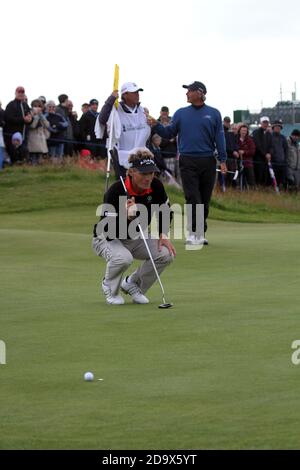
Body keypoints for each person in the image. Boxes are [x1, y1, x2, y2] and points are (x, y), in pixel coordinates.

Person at [92, 147, 175, 305]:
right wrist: (127, 218)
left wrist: (163, 235)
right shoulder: (116, 191)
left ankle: (133, 284)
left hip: (136, 237)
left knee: (165, 254)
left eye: (151, 173)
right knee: (123, 258)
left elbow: (165, 210)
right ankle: (110, 286)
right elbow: (108, 231)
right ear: (131, 172)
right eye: (143, 173)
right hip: (107, 238)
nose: (148, 178)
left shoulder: (156, 186)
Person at [149, 81, 227, 245]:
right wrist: (156, 125)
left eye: (189, 91)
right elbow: (169, 132)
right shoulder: (180, 113)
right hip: (187, 160)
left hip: (208, 160)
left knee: (204, 198)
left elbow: (219, 138)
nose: (186, 94)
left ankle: (200, 233)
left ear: (199, 93)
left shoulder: (214, 113)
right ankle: (194, 233)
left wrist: (223, 160)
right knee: (193, 197)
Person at [96, 82, 151, 179]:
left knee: (140, 184)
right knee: (123, 186)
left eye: (138, 92)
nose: (137, 95)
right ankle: (123, 195)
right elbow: (102, 119)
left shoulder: (142, 110)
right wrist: (111, 99)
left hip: (140, 156)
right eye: (134, 92)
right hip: (121, 155)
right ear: (125, 95)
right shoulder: (116, 109)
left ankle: (136, 195)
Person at [3, 86, 32, 162]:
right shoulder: (11, 105)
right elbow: (9, 119)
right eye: (19, 92)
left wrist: (30, 120)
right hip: (12, 136)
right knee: (14, 155)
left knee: (23, 154)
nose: (21, 94)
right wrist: (23, 119)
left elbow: (29, 117)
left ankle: (22, 169)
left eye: (22, 92)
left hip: (24, 135)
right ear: (15, 93)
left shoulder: (25, 105)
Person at [252, 116, 272, 186]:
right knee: (259, 175)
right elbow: (257, 145)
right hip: (258, 158)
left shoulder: (269, 134)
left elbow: (271, 145)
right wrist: (265, 154)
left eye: (266, 123)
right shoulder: (256, 132)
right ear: (261, 123)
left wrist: (269, 153)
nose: (265, 124)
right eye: (264, 122)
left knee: (265, 175)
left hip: (266, 159)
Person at [237, 124, 256, 188]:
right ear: (239, 131)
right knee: (239, 178)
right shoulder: (236, 139)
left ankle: (252, 191)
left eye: (245, 130)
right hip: (238, 162)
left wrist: (244, 152)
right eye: (242, 130)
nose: (243, 132)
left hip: (248, 163)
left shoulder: (250, 140)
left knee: (251, 179)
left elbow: (253, 151)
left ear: (247, 131)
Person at [270, 120, 288, 188]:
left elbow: (286, 149)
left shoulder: (283, 138)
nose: (278, 128)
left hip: (282, 163)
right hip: (273, 163)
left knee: (282, 181)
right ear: (273, 127)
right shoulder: (269, 137)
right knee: (274, 180)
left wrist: (285, 160)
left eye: (279, 127)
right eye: (276, 127)